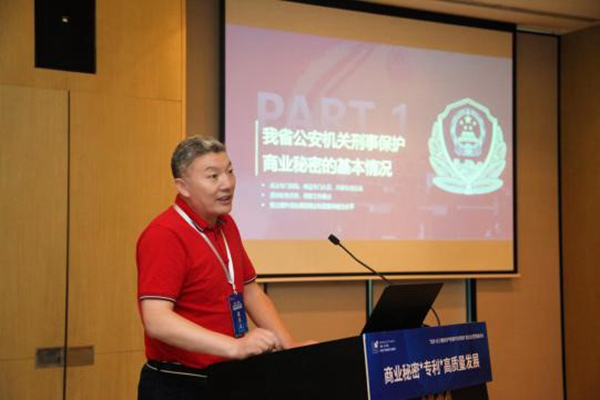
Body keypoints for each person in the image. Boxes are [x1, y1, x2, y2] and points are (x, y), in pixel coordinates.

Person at [136, 136, 297, 400]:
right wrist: (234, 347)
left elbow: (251, 292)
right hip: (179, 383)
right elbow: (157, 320)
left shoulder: (226, 225)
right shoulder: (164, 234)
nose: (227, 183)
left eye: (230, 172)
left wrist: (292, 352)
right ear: (183, 186)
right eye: (213, 176)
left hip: (225, 375)